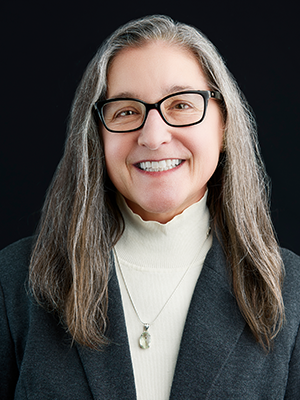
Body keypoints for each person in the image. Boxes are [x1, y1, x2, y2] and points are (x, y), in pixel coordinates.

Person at [0, 15, 299, 400]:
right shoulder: (13, 284)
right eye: (126, 111)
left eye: (181, 105)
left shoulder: (290, 292)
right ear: (96, 136)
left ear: (223, 125)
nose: (154, 136)